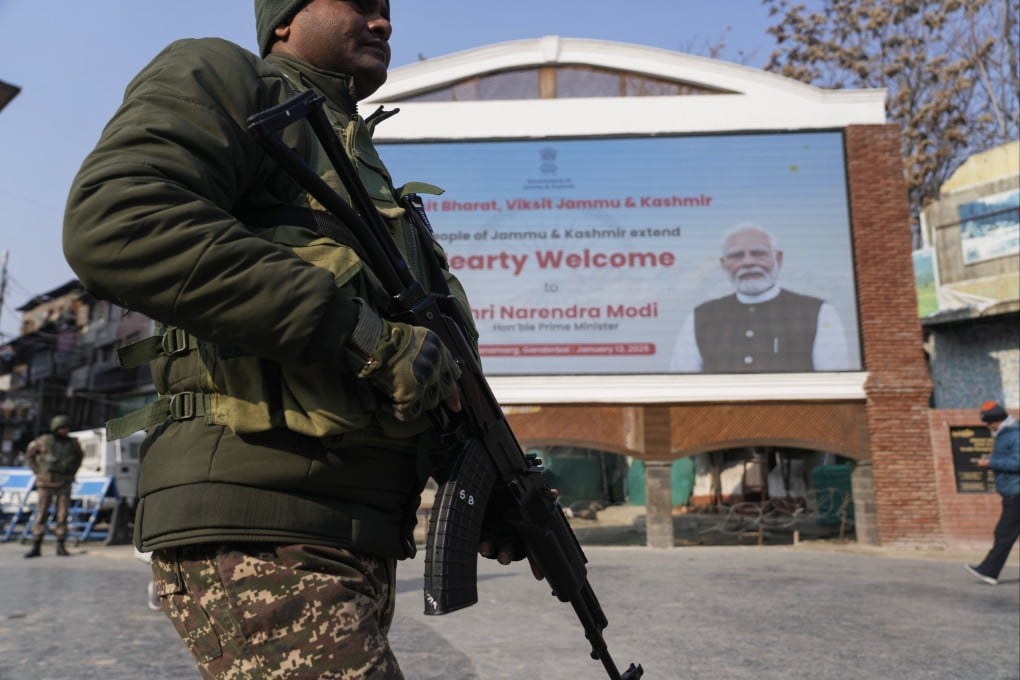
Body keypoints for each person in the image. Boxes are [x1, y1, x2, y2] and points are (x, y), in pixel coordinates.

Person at [63, 1, 521, 676]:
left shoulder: (359, 163)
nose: (383, 22)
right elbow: (118, 216)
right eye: (358, 4)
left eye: (387, 9)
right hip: (263, 523)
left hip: (347, 529)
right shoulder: (227, 78)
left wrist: (487, 484)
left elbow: (421, 373)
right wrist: (364, 335)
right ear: (285, 17)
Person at [670, 223, 850, 373]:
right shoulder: (700, 317)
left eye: (758, 253)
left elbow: (834, 383)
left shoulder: (819, 313)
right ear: (723, 265)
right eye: (736, 255)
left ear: (778, 259)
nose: (748, 262)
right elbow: (681, 385)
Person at [965, 401, 1020, 585]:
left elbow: (1017, 463)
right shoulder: (1005, 434)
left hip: (1016, 491)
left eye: (989, 423)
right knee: (1005, 532)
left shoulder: (1014, 435)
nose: (988, 427)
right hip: (1011, 491)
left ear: (997, 420)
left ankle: (989, 570)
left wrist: (990, 463)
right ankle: (989, 570)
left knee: (1004, 532)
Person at [23, 415, 84, 558]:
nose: (65, 431)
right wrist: (38, 471)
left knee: (62, 514)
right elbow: (30, 455)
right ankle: (36, 545)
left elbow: (79, 458)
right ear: (55, 428)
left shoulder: (73, 443)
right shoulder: (44, 440)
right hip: (46, 482)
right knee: (42, 513)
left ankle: (60, 545)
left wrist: (72, 472)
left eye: (67, 428)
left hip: (64, 482)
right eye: (62, 428)